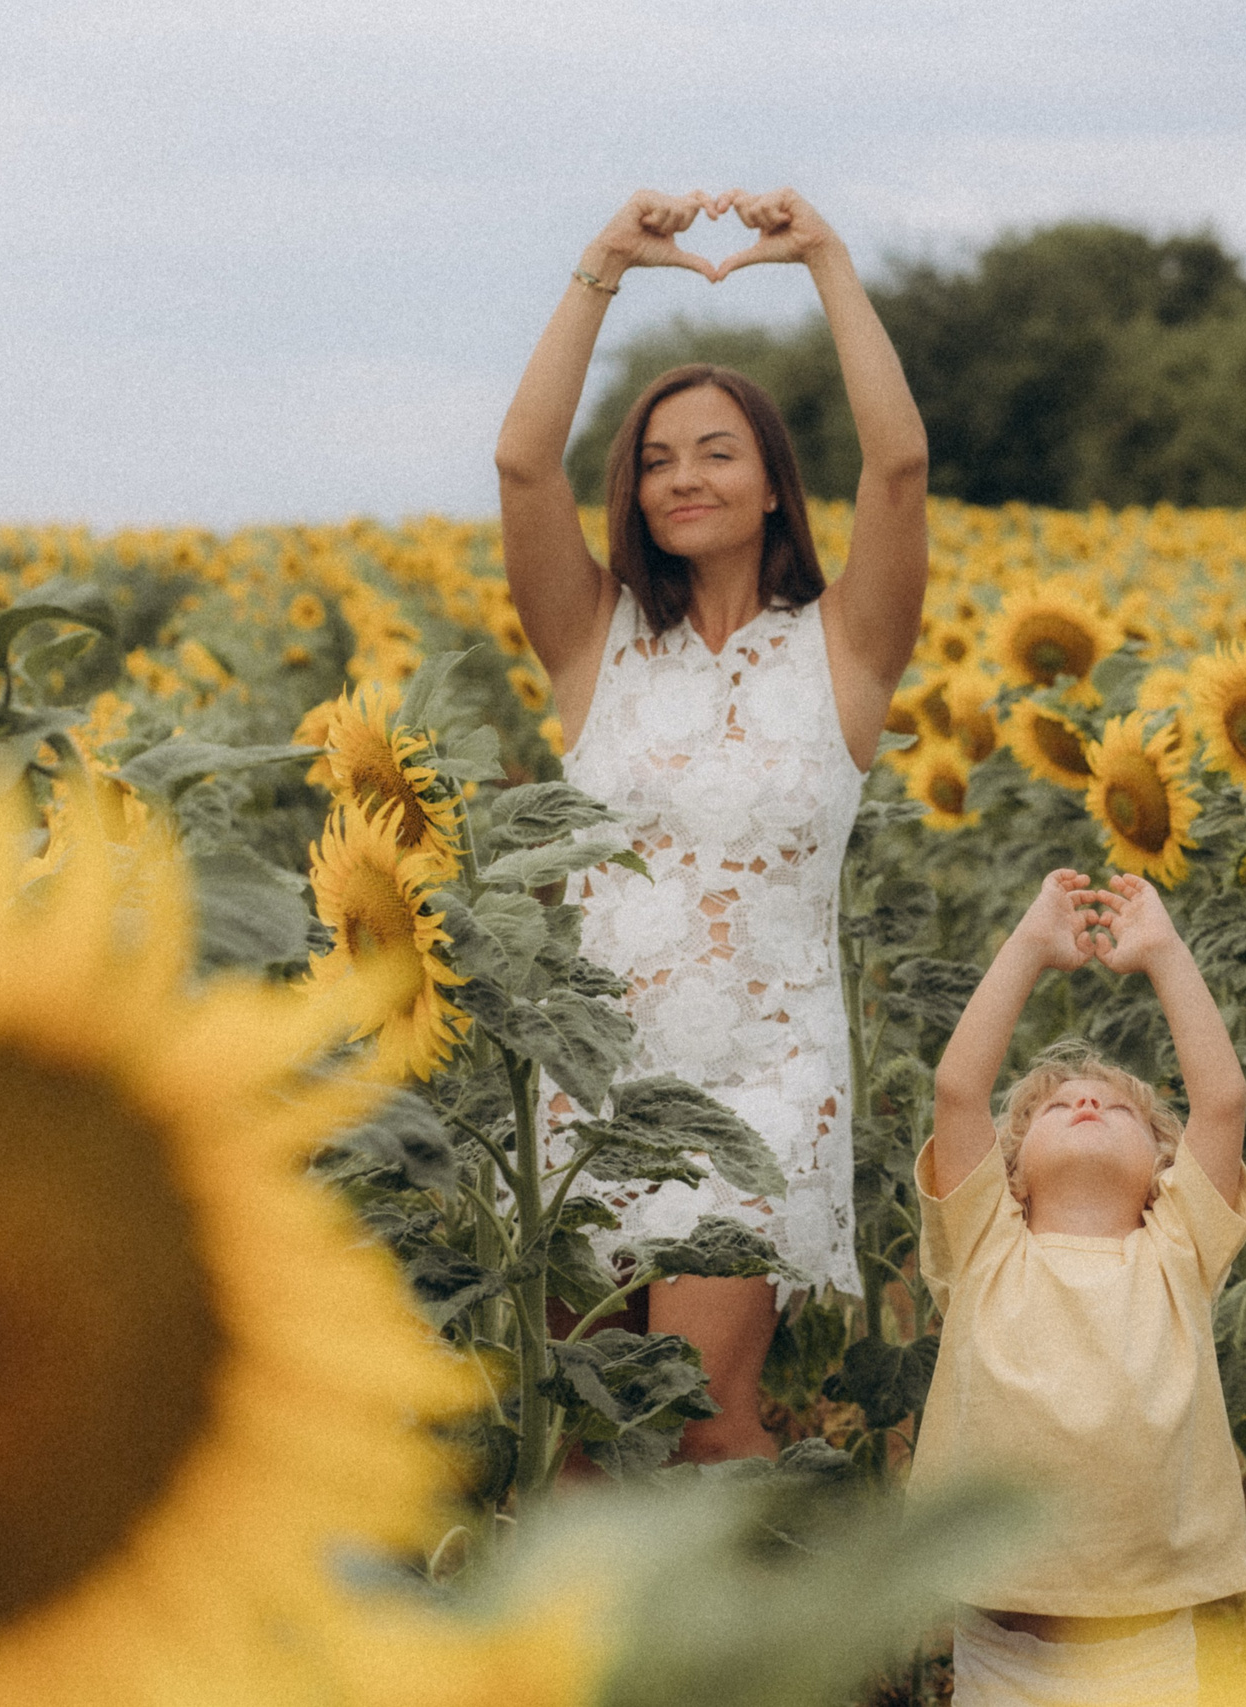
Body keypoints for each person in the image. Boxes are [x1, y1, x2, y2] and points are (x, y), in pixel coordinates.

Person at [494, 188, 929, 1461]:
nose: (682, 475)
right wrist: (602, 268)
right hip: (594, 1083)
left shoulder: (843, 651)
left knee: (694, 1416)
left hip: (766, 1092)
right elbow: (523, 465)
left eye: (716, 450)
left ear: (774, 486)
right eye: (656, 457)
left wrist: (830, 264)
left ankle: (773, 1660)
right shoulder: (596, 647)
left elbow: (898, 467)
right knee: (577, 1430)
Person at [909, 870, 1246, 1707]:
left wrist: (1167, 953)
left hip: (1146, 1655)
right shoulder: (987, 1243)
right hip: (1003, 1654)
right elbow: (959, 1090)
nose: (1088, 1099)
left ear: (1160, 1173)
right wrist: (1030, 945)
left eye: (1115, 1105)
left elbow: (1223, 1100)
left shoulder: (1176, 1251)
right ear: (1012, 1174)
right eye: (1058, 1104)